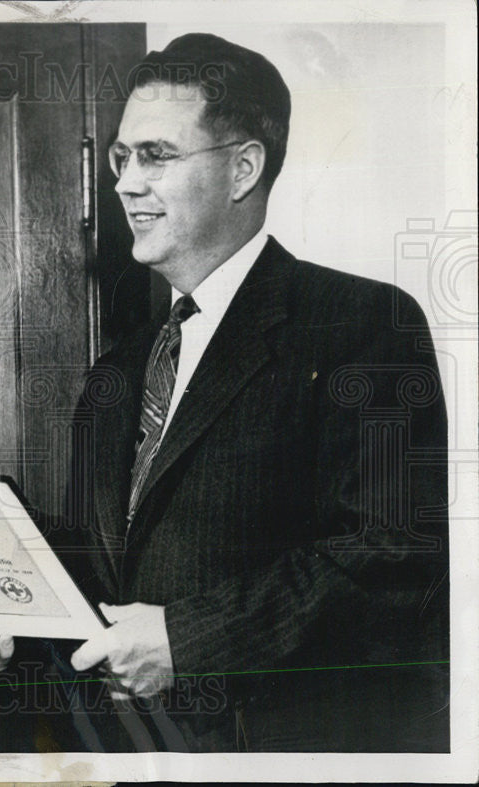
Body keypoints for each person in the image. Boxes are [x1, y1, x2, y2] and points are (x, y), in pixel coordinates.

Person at [64, 34, 449, 752]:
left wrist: (186, 638)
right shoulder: (114, 374)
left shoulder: (360, 324)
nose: (124, 183)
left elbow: (391, 557)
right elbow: (92, 572)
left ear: (243, 168)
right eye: (122, 157)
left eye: (156, 155)